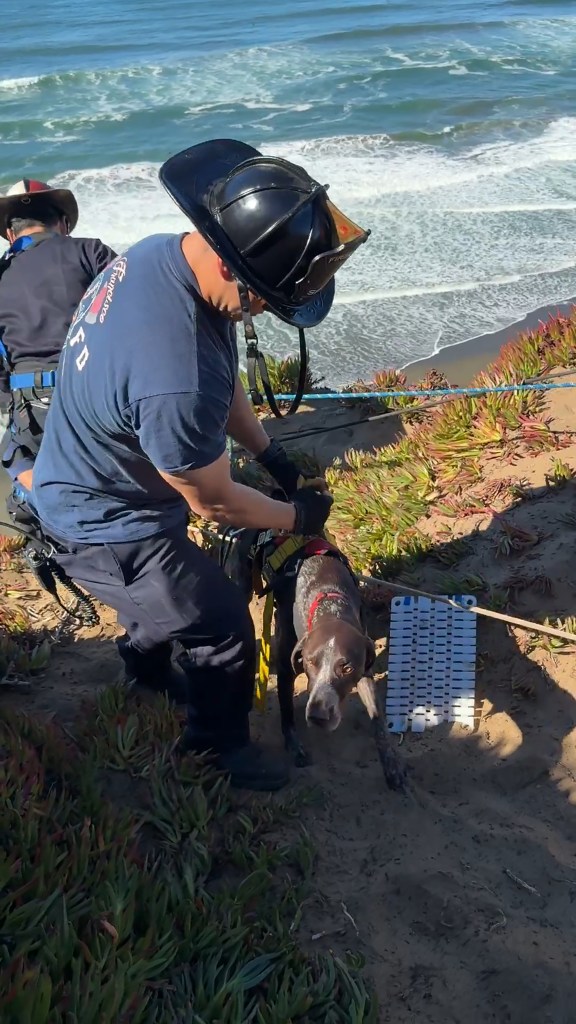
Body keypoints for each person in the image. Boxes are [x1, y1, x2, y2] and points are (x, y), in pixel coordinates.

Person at [30, 138, 370, 792]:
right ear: (234, 272)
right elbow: (214, 500)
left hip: (95, 483)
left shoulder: (164, 256)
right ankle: (218, 750)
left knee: (168, 602)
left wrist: (272, 456)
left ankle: (146, 669)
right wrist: (295, 515)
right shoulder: (175, 380)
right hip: (104, 525)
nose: (268, 310)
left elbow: (224, 379)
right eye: (268, 297)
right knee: (221, 626)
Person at [0, 178, 117, 506]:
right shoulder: (89, 251)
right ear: (63, 223)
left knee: (13, 454)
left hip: (31, 409)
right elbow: (138, 315)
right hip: (96, 399)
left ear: (11, 234)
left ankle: (52, 510)